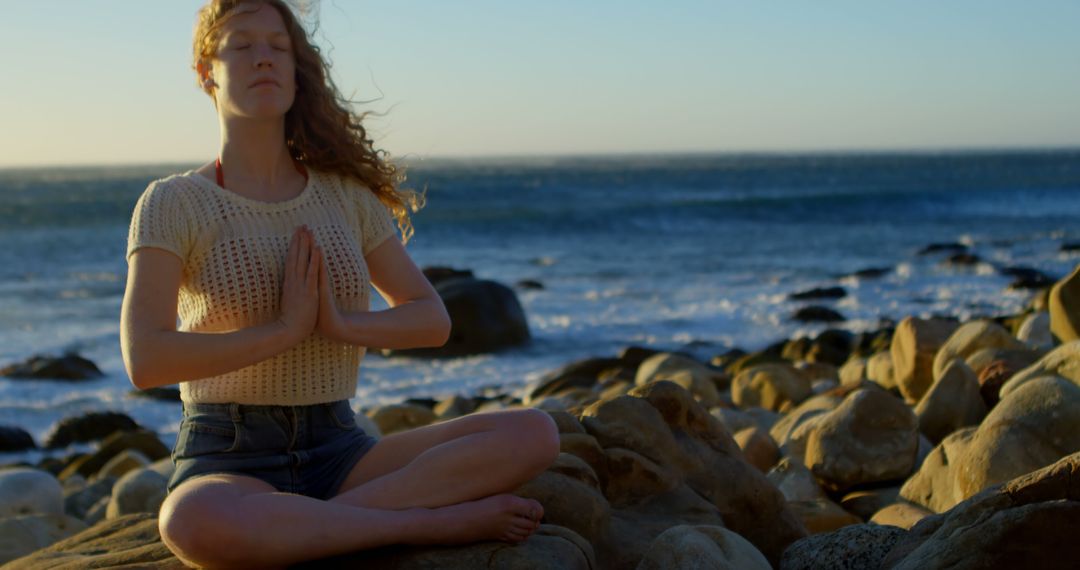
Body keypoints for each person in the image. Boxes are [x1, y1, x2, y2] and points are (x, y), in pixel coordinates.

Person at [119, 1, 560, 567]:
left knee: (534, 433)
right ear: (206, 72)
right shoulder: (173, 201)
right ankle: (425, 523)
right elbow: (146, 357)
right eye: (243, 46)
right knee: (192, 520)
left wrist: (343, 325)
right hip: (228, 457)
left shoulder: (346, 198)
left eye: (278, 47)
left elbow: (431, 319)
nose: (264, 60)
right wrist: (282, 332)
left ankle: (324, 527)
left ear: (297, 69)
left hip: (340, 448)